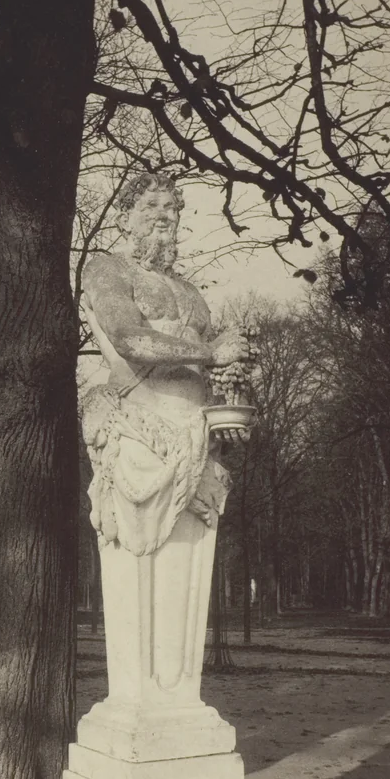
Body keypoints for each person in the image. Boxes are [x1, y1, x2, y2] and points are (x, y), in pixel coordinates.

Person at [82, 171, 249, 559]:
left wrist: (230, 413)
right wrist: (211, 353)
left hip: (197, 434)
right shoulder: (108, 269)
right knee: (141, 562)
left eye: (170, 207)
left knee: (192, 568)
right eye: (150, 206)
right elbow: (127, 338)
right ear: (125, 218)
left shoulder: (191, 292)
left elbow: (212, 370)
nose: (163, 215)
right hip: (138, 430)